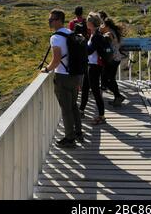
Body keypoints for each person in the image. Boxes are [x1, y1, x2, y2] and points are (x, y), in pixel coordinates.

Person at [41, 9, 83, 149]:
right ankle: (78, 132)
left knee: (66, 109)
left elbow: (56, 60)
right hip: (75, 75)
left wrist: (47, 69)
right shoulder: (70, 33)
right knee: (73, 106)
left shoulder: (56, 38)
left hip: (63, 76)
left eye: (51, 19)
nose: (49, 22)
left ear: (58, 20)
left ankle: (69, 139)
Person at [80, 12, 106, 125]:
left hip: (95, 66)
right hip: (91, 65)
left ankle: (101, 116)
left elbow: (89, 51)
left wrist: (83, 41)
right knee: (85, 88)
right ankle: (81, 110)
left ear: (91, 23)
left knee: (95, 91)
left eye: (87, 21)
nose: (86, 23)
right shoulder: (94, 34)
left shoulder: (96, 36)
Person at [101, 18, 125, 106]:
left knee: (106, 80)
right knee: (111, 79)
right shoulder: (115, 32)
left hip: (112, 59)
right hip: (117, 58)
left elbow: (104, 41)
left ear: (106, 26)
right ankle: (117, 98)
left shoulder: (109, 33)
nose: (102, 26)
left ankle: (118, 96)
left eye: (103, 25)